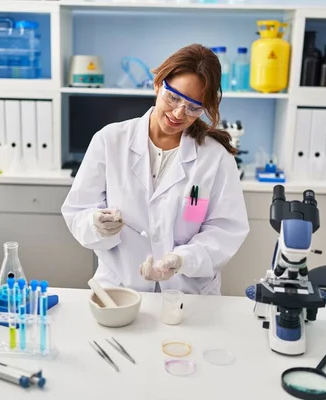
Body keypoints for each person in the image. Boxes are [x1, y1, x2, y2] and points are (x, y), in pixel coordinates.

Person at [61, 44, 250, 295]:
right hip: (121, 289)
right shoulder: (110, 140)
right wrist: (96, 224)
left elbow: (226, 229)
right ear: (158, 84)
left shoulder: (214, 157)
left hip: (188, 293)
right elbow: (78, 210)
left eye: (194, 107)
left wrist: (183, 260)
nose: (179, 113)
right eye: (174, 97)